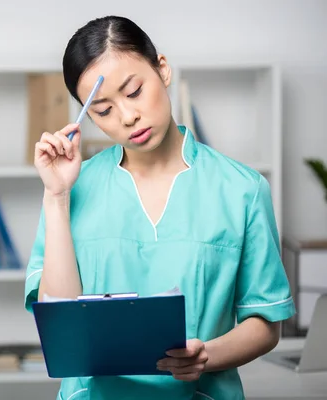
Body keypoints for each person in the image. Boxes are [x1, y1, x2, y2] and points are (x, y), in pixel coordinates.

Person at [23, 15, 296, 400]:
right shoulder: (71, 188)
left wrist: (207, 356)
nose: (127, 116)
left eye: (133, 91)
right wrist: (56, 197)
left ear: (162, 70)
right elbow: (64, 322)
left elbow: (266, 322)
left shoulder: (242, 190)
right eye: (103, 110)